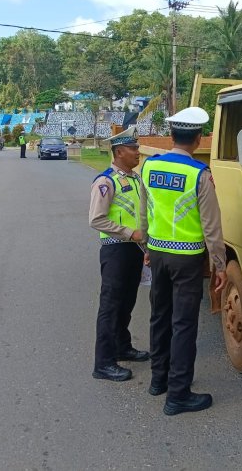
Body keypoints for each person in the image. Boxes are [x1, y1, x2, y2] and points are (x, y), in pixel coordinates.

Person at [140, 107, 227, 416]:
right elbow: (212, 228)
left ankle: (157, 379)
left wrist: (147, 247)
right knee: (184, 324)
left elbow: (144, 211)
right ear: (199, 138)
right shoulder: (199, 176)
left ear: (171, 136)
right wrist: (219, 264)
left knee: (159, 316)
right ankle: (178, 395)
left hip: (157, 254)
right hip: (187, 258)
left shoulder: (148, 166)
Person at [88, 127, 150, 382]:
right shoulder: (105, 182)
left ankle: (122, 346)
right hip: (116, 250)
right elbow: (96, 219)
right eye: (133, 149)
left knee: (127, 303)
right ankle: (103, 363)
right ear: (119, 152)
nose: (138, 152)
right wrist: (128, 232)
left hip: (134, 250)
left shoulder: (135, 179)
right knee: (110, 306)